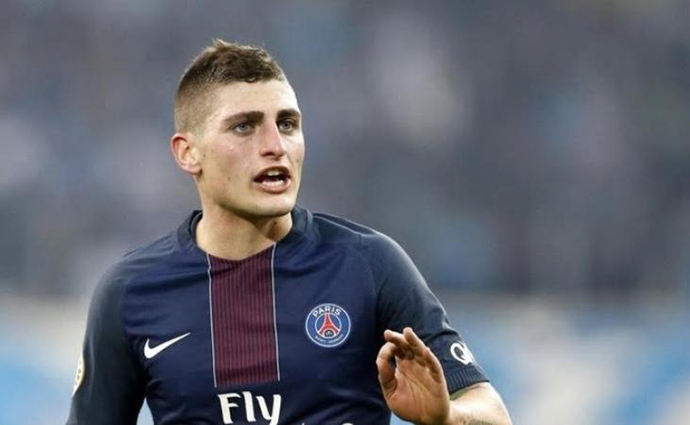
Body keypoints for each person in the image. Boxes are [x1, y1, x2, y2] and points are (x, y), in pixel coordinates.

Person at [66, 40, 512, 425]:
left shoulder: (369, 265)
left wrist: (448, 417)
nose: (275, 146)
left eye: (287, 124)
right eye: (244, 126)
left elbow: (491, 412)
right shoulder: (130, 292)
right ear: (188, 153)